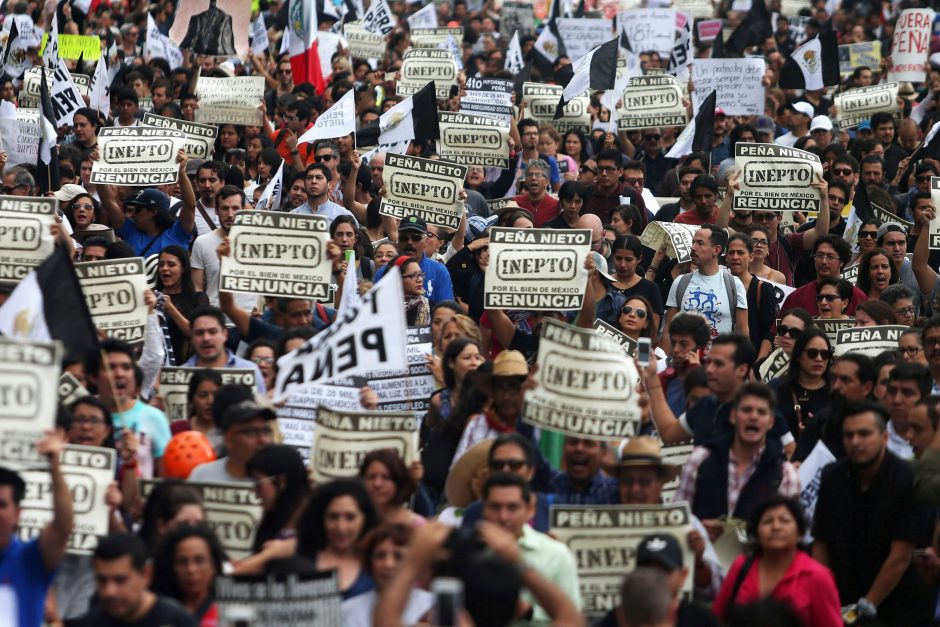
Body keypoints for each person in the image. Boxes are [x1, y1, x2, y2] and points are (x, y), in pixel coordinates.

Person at [812, 401, 936, 624]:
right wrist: (825, 596)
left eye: (864, 434)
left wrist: (866, 605)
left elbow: (900, 555)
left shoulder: (906, 478)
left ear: (884, 438)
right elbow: (821, 543)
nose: (856, 442)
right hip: (842, 590)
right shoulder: (833, 475)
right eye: (849, 435)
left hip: (897, 603)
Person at [674, 382, 800, 529]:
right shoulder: (700, 460)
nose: (753, 417)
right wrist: (700, 534)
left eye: (761, 412)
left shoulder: (785, 475)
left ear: (771, 421)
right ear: (733, 416)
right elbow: (678, 521)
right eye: (746, 410)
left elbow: (788, 535)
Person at [713, 496, 841, 626]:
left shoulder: (817, 576)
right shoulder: (741, 566)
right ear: (757, 534)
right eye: (767, 521)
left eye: (784, 521)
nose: (776, 527)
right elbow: (717, 617)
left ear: (800, 534)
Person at [479, 472, 582, 621]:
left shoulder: (556, 554)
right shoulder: (466, 552)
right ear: (483, 508)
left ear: (530, 509)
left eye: (512, 508)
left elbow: (574, 617)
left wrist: (529, 612)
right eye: (495, 507)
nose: (503, 517)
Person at [0, 433, 73, 627]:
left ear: (17, 513)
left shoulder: (31, 559)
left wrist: (55, 466)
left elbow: (63, 526)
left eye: (1, 505)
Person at [73, 533, 197, 626]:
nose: (110, 591)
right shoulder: (91, 623)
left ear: (146, 575)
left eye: (120, 580)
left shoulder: (177, 621)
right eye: (102, 580)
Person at [295, 479, 378, 599]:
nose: (341, 527)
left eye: (350, 517)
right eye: (333, 517)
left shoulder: (378, 562)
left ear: (365, 519)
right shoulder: (299, 557)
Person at [664, 225, 748, 341]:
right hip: (684, 357)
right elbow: (668, 330)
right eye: (693, 242)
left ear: (716, 250)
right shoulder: (680, 282)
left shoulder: (734, 284)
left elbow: (742, 332)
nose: (693, 247)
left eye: (700, 243)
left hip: (719, 357)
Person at [340, 524, 434, 627]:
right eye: (380, 556)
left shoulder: (432, 606)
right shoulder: (347, 611)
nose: (388, 564)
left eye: (398, 556)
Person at [150, 524, 227, 626]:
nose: (191, 570)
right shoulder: (159, 613)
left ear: (213, 566)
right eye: (182, 562)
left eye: (199, 561)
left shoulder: (227, 614)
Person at [189, 397, 275, 483]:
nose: (262, 440)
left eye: (266, 431)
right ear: (228, 440)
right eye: (251, 433)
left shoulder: (278, 480)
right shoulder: (202, 476)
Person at [373, 215, 454, 305]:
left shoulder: (439, 271)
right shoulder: (384, 272)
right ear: (398, 240)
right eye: (404, 238)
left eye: (416, 238)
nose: (409, 242)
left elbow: (445, 311)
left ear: (426, 241)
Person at [769, 328, 834, 438]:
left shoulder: (837, 391)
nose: (819, 359)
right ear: (798, 355)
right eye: (812, 353)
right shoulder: (776, 388)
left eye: (825, 354)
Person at [182, 307, 265, 393]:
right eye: (199, 333)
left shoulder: (250, 370)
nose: (206, 338)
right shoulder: (180, 373)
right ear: (191, 337)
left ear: (225, 334)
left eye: (212, 331)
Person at [154, 245, 209, 363]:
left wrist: (170, 308)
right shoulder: (152, 298)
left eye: (171, 264)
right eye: (161, 264)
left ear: (183, 268)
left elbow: (194, 332)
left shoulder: (198, 298)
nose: (164, 268)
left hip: (186, 367)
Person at [726, 233, 776, 358]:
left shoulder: (763, 289)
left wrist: (757, 364)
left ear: (751, 257)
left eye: (741, 253)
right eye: (731, 253)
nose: (735, 257)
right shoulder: (718, 286)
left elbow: (768, 332)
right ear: (726, 257)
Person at [359, 448, 425, 527]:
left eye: (386, 477)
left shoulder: (416, 527)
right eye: (371, 477)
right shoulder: (353, 523)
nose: (377, 484)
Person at [548, 437, 619, 505]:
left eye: (589, 443)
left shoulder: (615, 491)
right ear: (563, 448)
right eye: (573, 442)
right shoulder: (548, 484)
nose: (579, 449)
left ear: (603, 453)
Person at [170, 369, 223, 452]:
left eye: (216, 395)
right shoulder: (177, 429)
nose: (210, 401)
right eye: (203, 395)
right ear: (192, 399)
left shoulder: (228, 432)